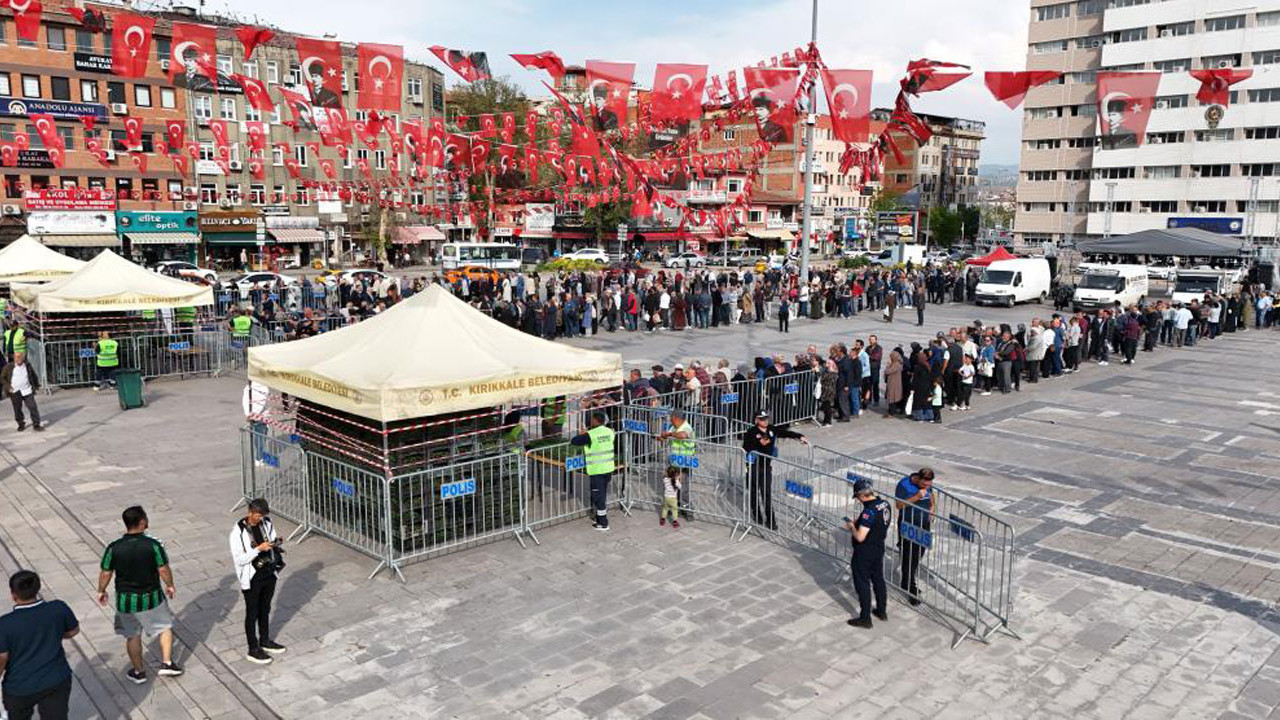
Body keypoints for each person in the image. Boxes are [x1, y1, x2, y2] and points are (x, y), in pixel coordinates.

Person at [96, 506, 183, 684]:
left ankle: (139, 672)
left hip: (126, 601)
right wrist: (170, 585)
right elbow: (163, 569)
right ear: (142, 522)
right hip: (152, 598)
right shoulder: (153, 545)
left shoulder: (114, 547)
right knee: (164, 628)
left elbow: (106, 572)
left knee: (132, 636)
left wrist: (101, 590)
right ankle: (167, 663)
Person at [0, 570, 79, 720]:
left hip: (19, 687)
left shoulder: (4, 624)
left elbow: (2, 657)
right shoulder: (58, 608)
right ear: (37, 589)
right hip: (56, 680)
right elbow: (73, 631)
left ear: (13, 594)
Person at [229, 498, 287, 665]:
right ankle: (253, 648)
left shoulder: (267, 523)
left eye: (262, 516)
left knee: (265, 608)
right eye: (258, 515)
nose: (260, 518)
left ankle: (265, 640)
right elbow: (239, 559)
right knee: (252, 612)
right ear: (250, 512)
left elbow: (272, 539)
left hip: (269, 572)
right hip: (252, 578)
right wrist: (258, 549)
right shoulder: (237, 533)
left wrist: (275, 544)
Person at [740, 411, 809, 531]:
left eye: (766, 418)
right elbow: (746, 447)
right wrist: (758, 444)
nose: (765, 421)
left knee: (766, 492)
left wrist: (799, 436)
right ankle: (757, 515)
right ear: (757, 420)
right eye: (762, 419)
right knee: (754, 491)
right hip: (753, 465)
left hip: (766, 466)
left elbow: (785, 433)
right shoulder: (751, 432)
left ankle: (771, 520)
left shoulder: (771, 429)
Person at [845, 479, 890, 629]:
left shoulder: (868, 512)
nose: (858, 500)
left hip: (865, 551)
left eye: (857, 497)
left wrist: (852, 527)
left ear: (861, 495)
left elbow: (860, 537)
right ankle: (882, 611)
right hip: (879, 547)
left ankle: (865, 618)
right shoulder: (884, 504)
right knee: (878, 579)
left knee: (862, 583)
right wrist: (858, 522)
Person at [894, 468, 935, 605]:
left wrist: (932, 509)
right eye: (924, 484)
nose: (926, 486)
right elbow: (899, 505)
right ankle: (909, 586)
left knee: (918, 554)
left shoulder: (927, 485)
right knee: (909, 556)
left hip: (924, 524)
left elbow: (931, 496)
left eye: (929, 484)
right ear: (918, 478)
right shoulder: (904, 485)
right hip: (908, 524)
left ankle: (907, 581)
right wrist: (917, 497)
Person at [571, 411, 615, 531]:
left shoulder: (591, 434)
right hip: (608, 468)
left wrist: (583, 433)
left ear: (595, 420)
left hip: (597, 470)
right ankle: (598, 517)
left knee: (598, 497)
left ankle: (603, 523)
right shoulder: (609, 432)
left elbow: (574, 441)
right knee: (602, 495)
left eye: (591, 419)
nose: (590, 421)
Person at [656, 409, 696, 520]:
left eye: (671, 419)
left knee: (684, 486)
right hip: (674, 461)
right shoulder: (673, 427)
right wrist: (662, 437)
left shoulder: (687, 427)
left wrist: (669, 434)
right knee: (673, 484)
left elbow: (683, 435)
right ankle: (675, 505)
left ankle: (686, 508)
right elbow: (664, 438)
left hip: (685, 462)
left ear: (676, 418)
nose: (670, 420)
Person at [1, 351, 42, 432]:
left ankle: (36, 424)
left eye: (20, 357)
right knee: (17, 409)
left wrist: (36, 385)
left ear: (23, 358)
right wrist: (8, 387)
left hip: (27, 390)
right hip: (15, 391)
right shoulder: (9, 367)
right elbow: (2, 378)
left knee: (33, 407)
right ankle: (21, 423)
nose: (18, 358)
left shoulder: (27, 365)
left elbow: (33, 375)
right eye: (16, 357)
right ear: (14, 358)